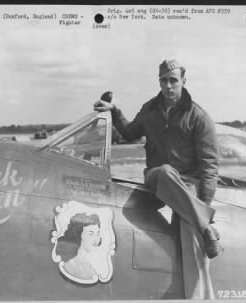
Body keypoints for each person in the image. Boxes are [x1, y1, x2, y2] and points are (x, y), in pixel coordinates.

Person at [93, 59, 222, 259]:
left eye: (173, 80)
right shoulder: (149, 109)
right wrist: (114, 111)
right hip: (156, 177)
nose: (168, 86)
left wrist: (204, 204)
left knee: (189, 234)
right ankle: (206, 227)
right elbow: (129, 133)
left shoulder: (199, 117)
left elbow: (209, 167)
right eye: (163, 81)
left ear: (183, 81)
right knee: (165, 171)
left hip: (187, 184)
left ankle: (198, 286)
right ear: (159, 81)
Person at [57, 213, 102, 280]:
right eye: (90, 234)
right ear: (78, 235)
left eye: (98, 233)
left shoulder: (88, 266)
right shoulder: (70, 263)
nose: (96, 239)